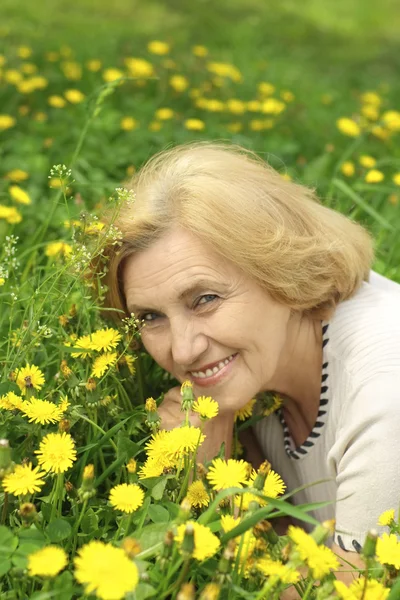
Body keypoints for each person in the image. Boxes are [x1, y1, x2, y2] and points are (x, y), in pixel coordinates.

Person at [97, 141, 400, 588]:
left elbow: (346, 592)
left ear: (281, 270)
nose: (182, 352)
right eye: (150, 317)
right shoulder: (260, 364)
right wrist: (220, 461)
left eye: (205, 299)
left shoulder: (384, 393)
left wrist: (211, 485)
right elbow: (284, 535)